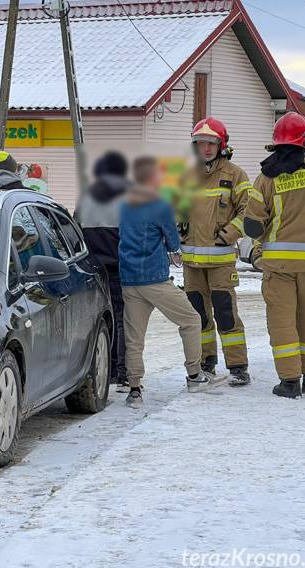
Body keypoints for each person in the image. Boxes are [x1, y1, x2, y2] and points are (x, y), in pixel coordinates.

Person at [244, 112, 305, 398]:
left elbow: (252, 225)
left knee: (282, 323)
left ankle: (289, 382)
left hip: (278, 266)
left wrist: (260, 251)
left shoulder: (265, 178)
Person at [119, 156, 214, 407]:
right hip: (155, 279)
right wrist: (175, 251)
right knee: (191, 320)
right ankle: (195, 375)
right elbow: (172, 238)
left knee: (134, 338)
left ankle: (135, 389)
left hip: (129, 280)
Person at [178, 117, 251, 386]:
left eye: (211, 143)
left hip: (221, 261)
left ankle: (238, 367)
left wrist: (228, 234)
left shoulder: (235, 175)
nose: (206, 148)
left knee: (225, 312)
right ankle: (206, 364)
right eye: (200, 143)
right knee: (198, 316)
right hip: (191, 264)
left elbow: (249, 211)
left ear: (222, 145)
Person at [76, 151, 130, 390]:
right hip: (119, 268)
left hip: (92, 270)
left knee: (96, 319)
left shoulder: (86, 199)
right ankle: (119, 371)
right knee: (121, 320)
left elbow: (74, 233)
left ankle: (97, 369)